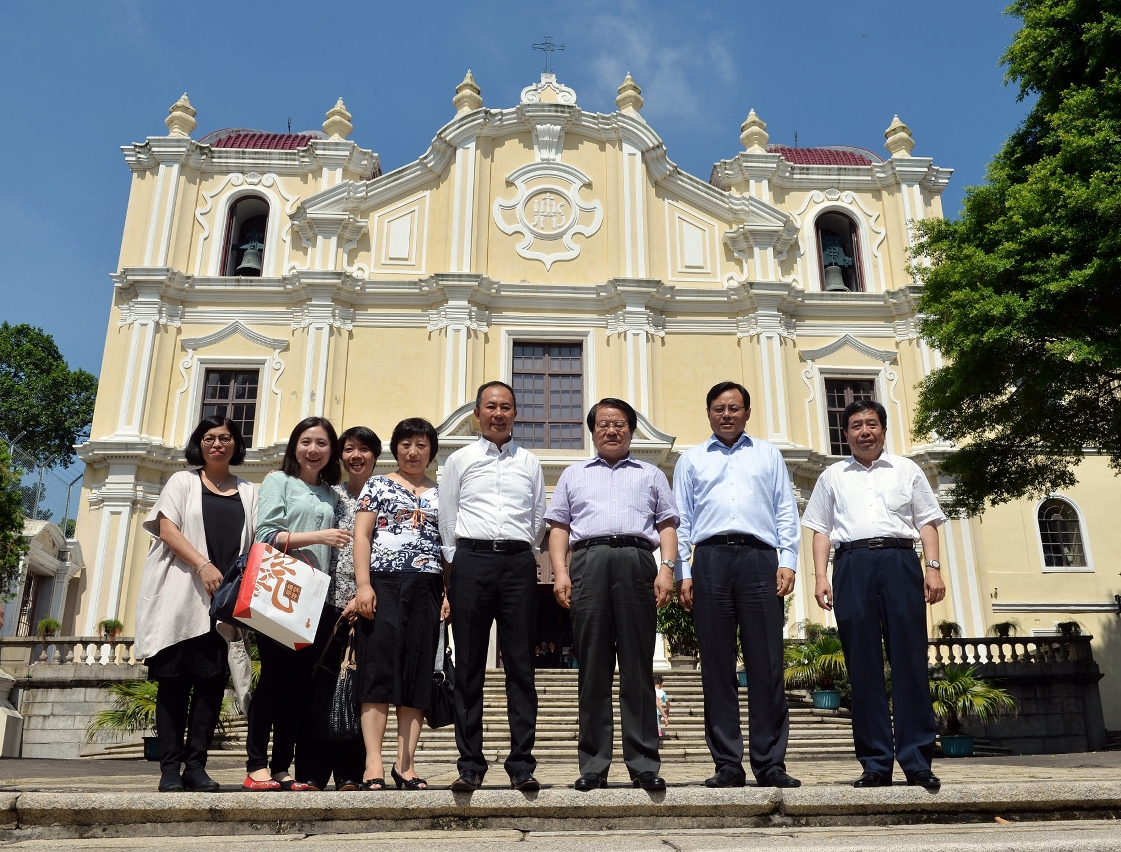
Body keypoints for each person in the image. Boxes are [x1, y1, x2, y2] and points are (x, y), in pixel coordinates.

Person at [801, 399, 947, 790]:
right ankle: (875, 763)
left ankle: (917, 760)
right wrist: (820, 577)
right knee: (862, 666)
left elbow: (928, 522)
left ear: (883, 429)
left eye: (871, 424)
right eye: (855, 426)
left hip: (900, 561)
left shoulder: (907, 469)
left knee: (910, 662)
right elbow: (820, 529)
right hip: (851, 564)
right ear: (845, 433)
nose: (864, 431)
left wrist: (932, 569)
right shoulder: (833, 476)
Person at [673, 381, 801, 789]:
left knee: (766, 664)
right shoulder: (691, 460)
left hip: (760, 558)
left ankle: (770, 763)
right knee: (716, 666)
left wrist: (788, 561)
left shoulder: (768, 454)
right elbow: (682, 521)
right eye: (718, 408)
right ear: (708, 413)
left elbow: (785, 509)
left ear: (747, 412)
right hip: (710, 559)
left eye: (734, 408)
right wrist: (684, 573)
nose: (726, 414)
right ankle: (728, 762)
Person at [548, 397, 678, 791]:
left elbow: (668, 525)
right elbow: (558, 528)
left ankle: (643, 764)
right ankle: (593, 766)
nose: (611, 430)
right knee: (592, 669)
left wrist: (668, 569)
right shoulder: (573, 474)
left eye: (619, 423)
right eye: (603, 424)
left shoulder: (651, 474)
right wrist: (560, 573)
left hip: (638, 561)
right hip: (588, 561)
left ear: (631, 430)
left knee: (638, 668)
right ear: (592, 430)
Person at [135, 416, 258, 793]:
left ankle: (196, 766)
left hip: (222, 607)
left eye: (225, 438)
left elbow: (258, 543)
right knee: (173, 685)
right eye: (209, 438)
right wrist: (203, 565)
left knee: (209, 687)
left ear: (236, 444)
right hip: (180, 596)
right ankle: (169, 769)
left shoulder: (250, 491)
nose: (217, 444)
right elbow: (168, 528)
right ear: (199, 444)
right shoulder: (182, 482)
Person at [439, 380, 545, 792]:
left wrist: (520, 548)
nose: (498, 413)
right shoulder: (459, 460)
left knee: (521, 665)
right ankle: (470, 763)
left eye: (506, 406)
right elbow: (448, 514)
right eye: (490, 406)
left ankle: (521, 763)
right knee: (468, 666)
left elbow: (537, 516)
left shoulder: (530, 463)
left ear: (515, 413)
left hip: (518, 562)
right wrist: (454, 562)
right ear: (477, 415)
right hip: (471, 560)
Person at [246, 416, 350, 791]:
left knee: (297, 687)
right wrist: (320, 535)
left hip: (315, 600)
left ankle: (280, 768)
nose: (313, 450)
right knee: (273, 680)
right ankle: (255, 764)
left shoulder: (331, 493)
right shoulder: (278, 481)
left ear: (331, 451)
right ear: (294, 446)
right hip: (280, 592)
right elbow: (266, 534)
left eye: (322, 443)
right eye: (306, 441)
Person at [352, 418, 449, 791]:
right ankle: (373, 764)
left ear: (431, 451)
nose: (413, 451)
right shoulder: (378, 485)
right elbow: (362, 534)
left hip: (426, 588)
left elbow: (447, 549)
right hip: (383, 584)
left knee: (417, 673)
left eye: (421, 445)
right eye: (406, 444)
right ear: (396, 448)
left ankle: (405, 765)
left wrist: (447, 593)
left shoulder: (441, 493)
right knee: (378, 672)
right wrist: (364, 585)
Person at [294, 425, 381, 791]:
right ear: (340, 456)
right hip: (322, 606)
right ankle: (311, 772)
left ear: (376, 456)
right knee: (319, 688)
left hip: (368, 606)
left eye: (364, 449)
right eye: (349, 449)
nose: (356, 455)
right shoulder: (330, 496)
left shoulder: (384, 496)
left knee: (358, 690)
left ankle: (349, 772)